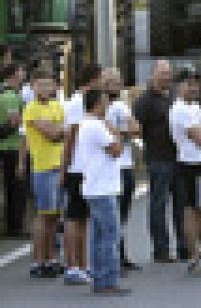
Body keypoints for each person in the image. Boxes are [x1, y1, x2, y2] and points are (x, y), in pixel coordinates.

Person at [76, 89, 128, 296]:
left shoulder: (85, 124)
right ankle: (108, 280)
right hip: (103, 188)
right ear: (97, 104)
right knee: (110, 235)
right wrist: (116, 132)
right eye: (105, 102)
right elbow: (116, 150)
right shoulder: (97, 126)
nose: (107, 106)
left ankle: (99, 278)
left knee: (98, 236)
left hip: (94, 186)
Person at [133, 60, 186, 262]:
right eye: (162, 73)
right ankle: (161, 248)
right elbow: (136, 127)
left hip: (179, 157)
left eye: (168, 73)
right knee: (159, 204)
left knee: (182, 204)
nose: (166, 77)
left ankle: (184, 246)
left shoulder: (175, 95)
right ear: (153, 74)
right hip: (158, 158)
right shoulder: (144, 100)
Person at [169, 67, 201, 274]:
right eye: (189, 83)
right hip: (193, 164)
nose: (193, 87)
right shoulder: (180, 109)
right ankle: (200, 255)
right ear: (179, 86)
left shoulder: (196, 107)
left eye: (196, 83)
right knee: (195, 211)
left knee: (200, 210)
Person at [61, 63, 103, 283]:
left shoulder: (86, 102)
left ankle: (83, 264)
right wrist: (65, 167)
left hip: (86, 167)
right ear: (93, 80)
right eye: (101, 78)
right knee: (73, 217)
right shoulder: (78, 103)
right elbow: (71, 138)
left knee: (83, 218)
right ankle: (72, 265)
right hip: (77, 167)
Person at [20, 69, 64, 278]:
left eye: (49, 84)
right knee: (43, 215)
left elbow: (63, 131)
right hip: (43, 167)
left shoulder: (57, 106)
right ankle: (38, 261)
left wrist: (58, 129)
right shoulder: (31, 109)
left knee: (55, 216)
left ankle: (52, 258)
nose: (45, 88)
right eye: (41, 84)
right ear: (33, 86)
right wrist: (58, 129)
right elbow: (54, 134)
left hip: (58, 164)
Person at [103, 68, 142, 272]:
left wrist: (118, 132)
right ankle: (112, 257)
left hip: (125, 164)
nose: (115, 85)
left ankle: (121, 254)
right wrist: (121, 132)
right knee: (111, 214)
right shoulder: (99, 106)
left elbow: (136, 129)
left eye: (118, 81)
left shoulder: (121, 105)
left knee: (123, 214)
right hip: (110, 166)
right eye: (110, 81)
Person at [0, 63, 26, 238]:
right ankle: (15, 227)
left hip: (6, 147)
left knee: (9, 188)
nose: (23, 74)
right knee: (16, 189)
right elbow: (14, 122)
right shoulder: (11, 97)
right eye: (21, 71)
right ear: (14, 75)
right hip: (12, 147)